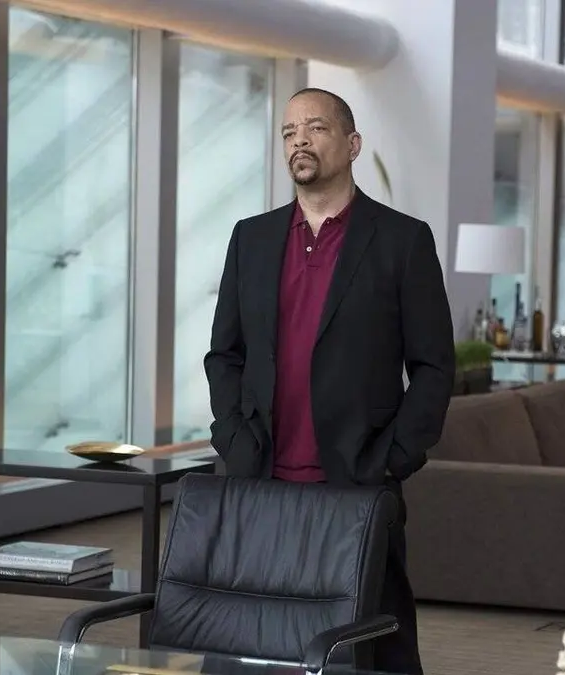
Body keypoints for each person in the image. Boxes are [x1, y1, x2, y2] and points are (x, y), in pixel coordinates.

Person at [204, 87, 455, 675]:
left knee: (367, 648)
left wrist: (393, 458)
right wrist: (234, 440)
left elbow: (434, 365)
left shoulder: (403, 239)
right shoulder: (251, 237)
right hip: (261, 478)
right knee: (251, 642)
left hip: (357, 481)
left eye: (315, 128)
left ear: (352, 143)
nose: (300, 141)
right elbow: (224, 355)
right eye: (289, 133)